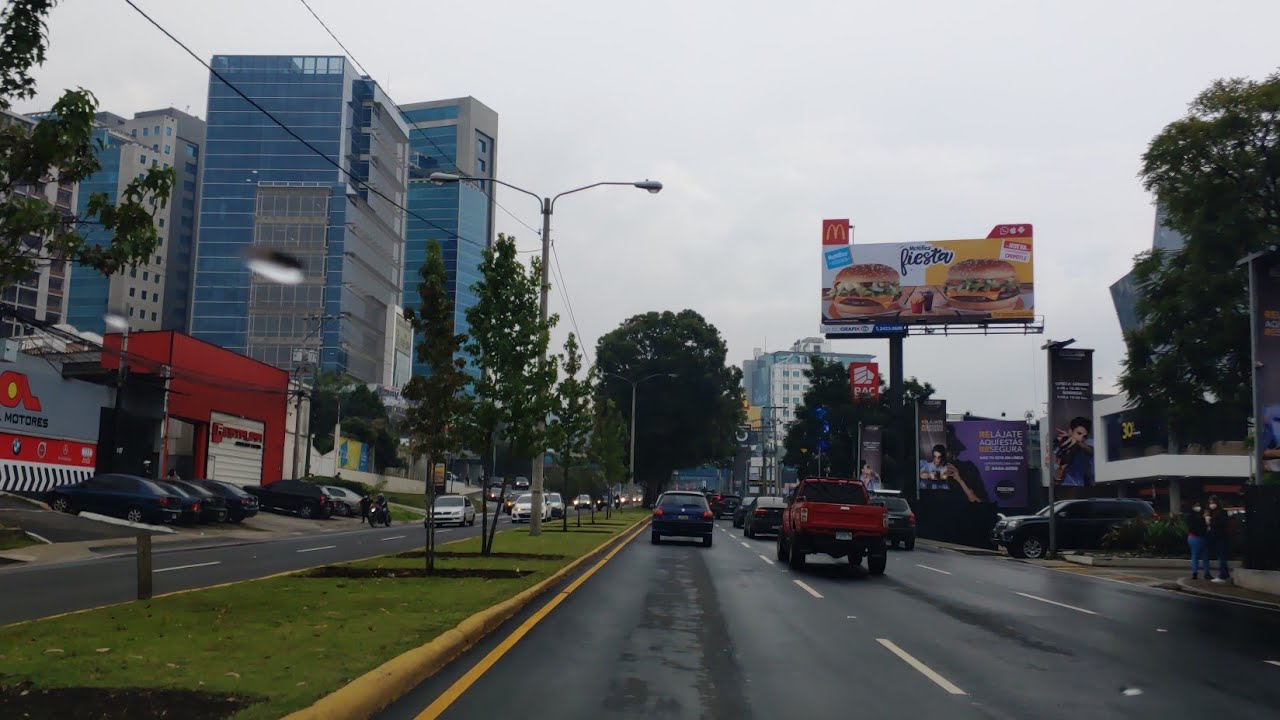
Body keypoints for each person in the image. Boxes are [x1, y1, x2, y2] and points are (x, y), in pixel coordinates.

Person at [1054, 416, 1094, 487]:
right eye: (1079, 433)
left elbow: (1093, 451)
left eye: (1084, 436)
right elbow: (1056, 479)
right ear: (1070, 431)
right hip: (1066, 488)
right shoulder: (1059, 448)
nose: (1081, 438)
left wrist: (1078, 443)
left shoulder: (1086, 445)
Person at [1206, 494, 1231, 583]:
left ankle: (1222, 575)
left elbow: (1221, 524)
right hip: (1215, 537)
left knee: (1221, 556)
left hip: (1221, 537)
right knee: (1220, 556)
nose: (1211, 504)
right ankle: (1225, 574)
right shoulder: (1211, 512)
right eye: (1210, 502)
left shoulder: (1222, 513)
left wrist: (1210, 522)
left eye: (1213, 502)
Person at [1184, 499, 1209, 580]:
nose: (1198, 507)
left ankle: (1199, 573)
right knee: (1199, 555)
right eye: (1196, 505)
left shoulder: (1196, 515)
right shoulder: (1192, 516)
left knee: (1200, 556)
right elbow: (1195, 526)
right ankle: (1200, 573)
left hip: (1198, 537)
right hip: (1196, 537)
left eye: (1198, 505)